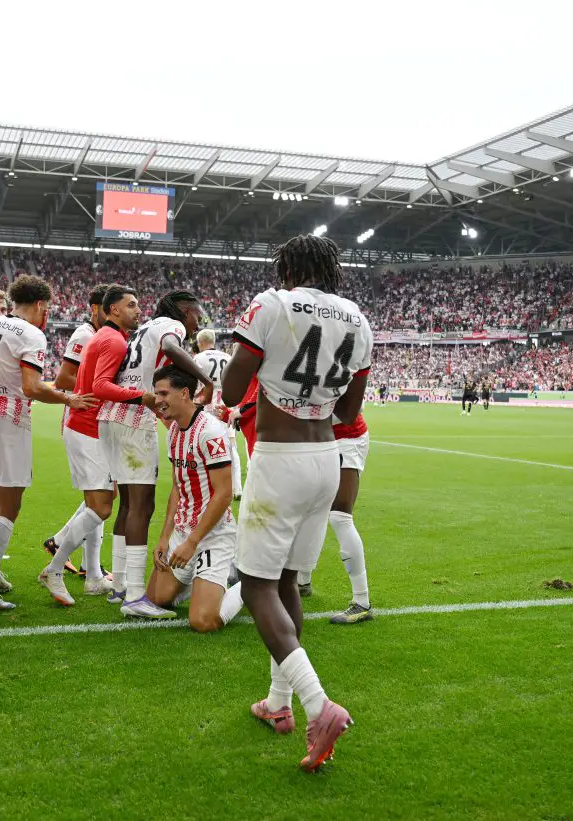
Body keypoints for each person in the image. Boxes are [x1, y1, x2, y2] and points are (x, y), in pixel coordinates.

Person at [221, 234, 372, 773]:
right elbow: (350, 408)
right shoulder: (357, 317)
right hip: (326, 458)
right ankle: (278, 702)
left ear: (287, 266)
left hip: (279, 456)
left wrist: (240, 391)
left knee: (259, 584)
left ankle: (317, 704)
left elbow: (235, 382)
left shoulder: (272, 303)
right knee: (288, 581)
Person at [0, 275, 96, 610]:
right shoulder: (32, 333)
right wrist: (68, 399)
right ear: (40, 305)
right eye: (48, 309)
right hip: (9, 421)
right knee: (9, 503)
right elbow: (31, 387)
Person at [39, 285, 157, 606]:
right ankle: (54, 568)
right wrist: (141, 396)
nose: (137, 310)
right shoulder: (113, 340)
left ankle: (92, 577)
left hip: (86, 426)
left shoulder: (106, 337)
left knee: (102, 501)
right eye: (131, 305)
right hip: (87, 427)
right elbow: (100, 386)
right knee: (102, 506)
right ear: (112, 310)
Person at [98, 289, 212, 618]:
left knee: (129, 503)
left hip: (113, 415)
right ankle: (135, 596)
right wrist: (205, 379)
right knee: (142, 505)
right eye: (195, 315)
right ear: (184, 311)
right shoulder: (170, 327)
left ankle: (120, 586)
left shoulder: (147, 326)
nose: (195, 323)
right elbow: (172, 347)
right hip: (134, 418)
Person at [143, 365, 245, 631]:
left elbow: (223, 494)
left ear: (184, 393)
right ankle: (204, 580)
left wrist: (193, 542)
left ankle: (251, 585)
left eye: (164, 393)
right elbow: (178, 487)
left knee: (203, 621)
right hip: (183, 532)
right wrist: (166, 537)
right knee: (157, 599)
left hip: (212, 534)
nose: (158, 400)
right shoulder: (175, 431)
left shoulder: (210, 432)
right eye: (156, 393)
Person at [44, 284, 110, 578]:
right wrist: (101, 388)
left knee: (99, 495)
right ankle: (64, 549)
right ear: (95, 309)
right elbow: (63, 378)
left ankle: (89, 566)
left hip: (96, 423)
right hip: (82, 420)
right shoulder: (85, 334)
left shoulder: (100, 334)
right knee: (100, 497)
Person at [297, 410, 373, 622]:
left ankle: (362, 601)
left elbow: (349, 411)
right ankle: (302, 581)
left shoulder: (348, 374)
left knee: (340, 516)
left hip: (346, 438)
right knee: (307, 509)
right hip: (318, 440)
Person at [193, 329, 242, 499]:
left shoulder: (197, 359)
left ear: (199, 343)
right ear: (214, 340)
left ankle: (209, 486)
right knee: (231, 447)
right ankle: (237, 488)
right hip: (226, 408)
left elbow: (195, 387)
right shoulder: (228, 358)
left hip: (206, 409)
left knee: (205, 447)